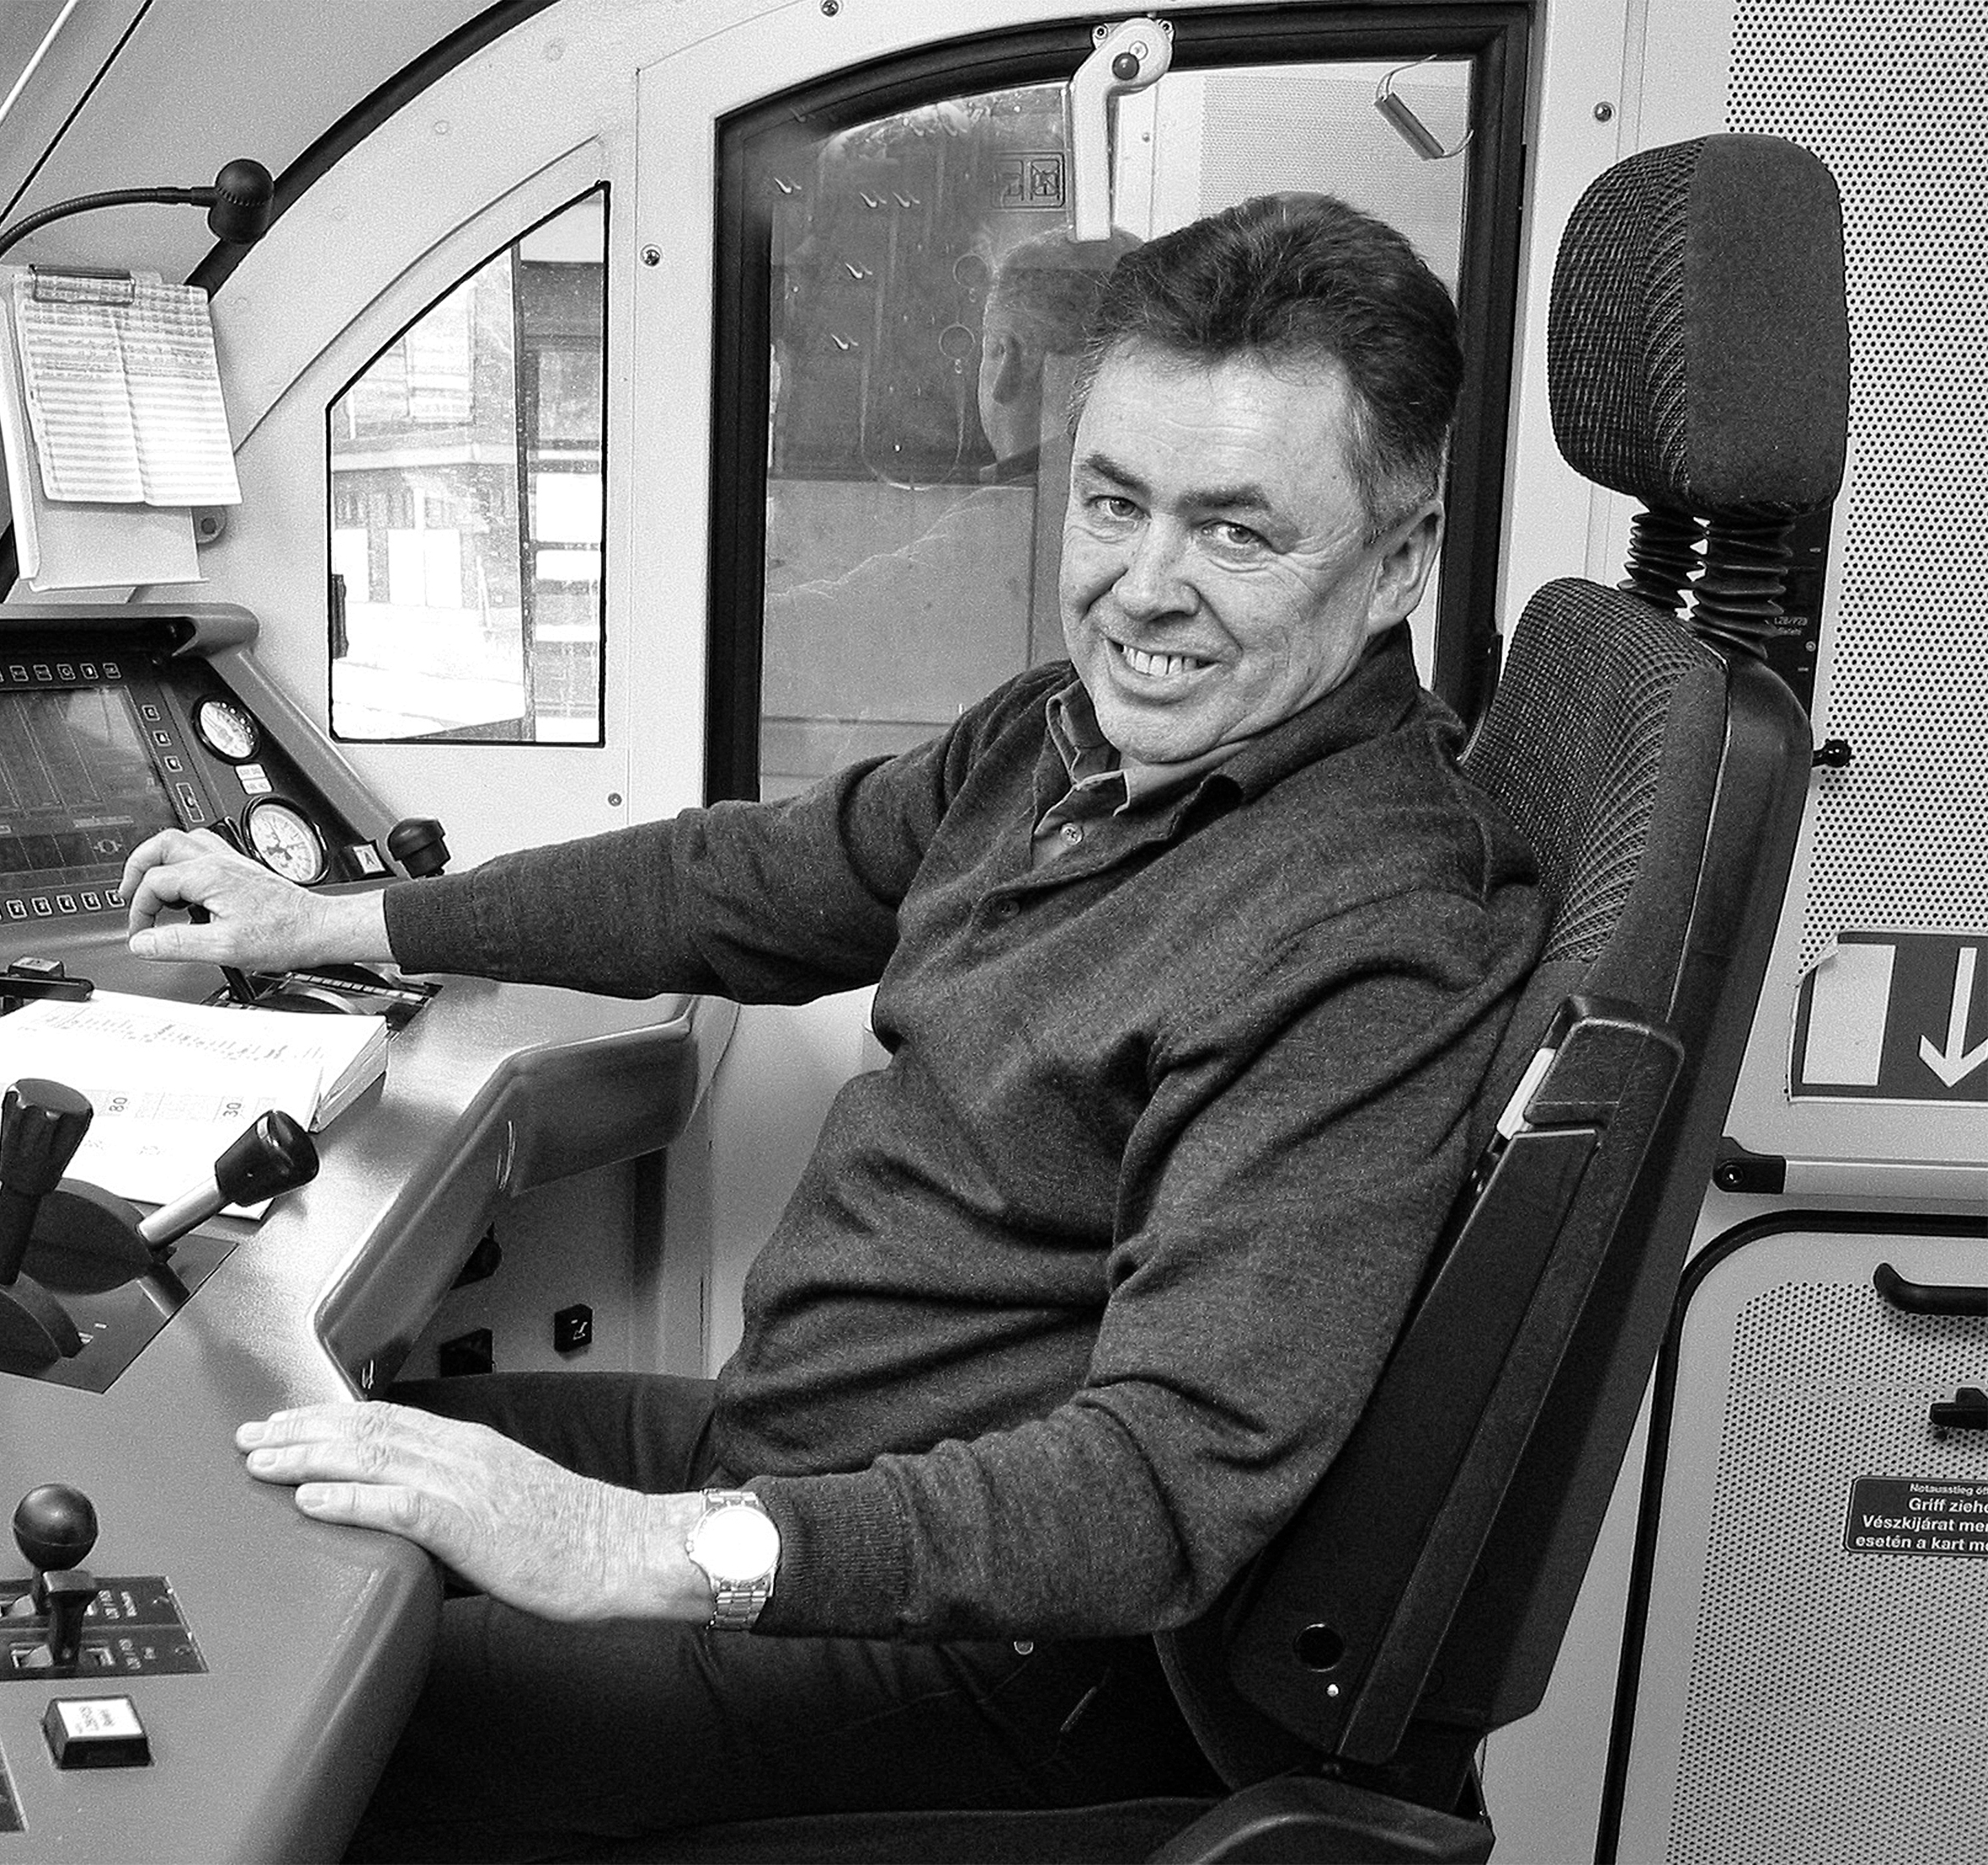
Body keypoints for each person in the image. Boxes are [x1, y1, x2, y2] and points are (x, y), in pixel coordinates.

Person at [119, 193, 1545, 1858]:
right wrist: (336, 917)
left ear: (1396, 565)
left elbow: (1160, 1484)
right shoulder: (1062, 741)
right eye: (1113, 503)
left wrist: (630, 1549)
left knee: (299, 1691)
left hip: (999, 1652)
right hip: (794, 1452)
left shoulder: (1367, 927)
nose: (1143, 589)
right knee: (251, 1474)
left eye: (1236, 533)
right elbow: (732, 884)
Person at [761, 228, 1134, 787]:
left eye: (986, 349)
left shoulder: (1024, 519)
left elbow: (823, 641)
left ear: (1008, 360)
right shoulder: (1110, 508)